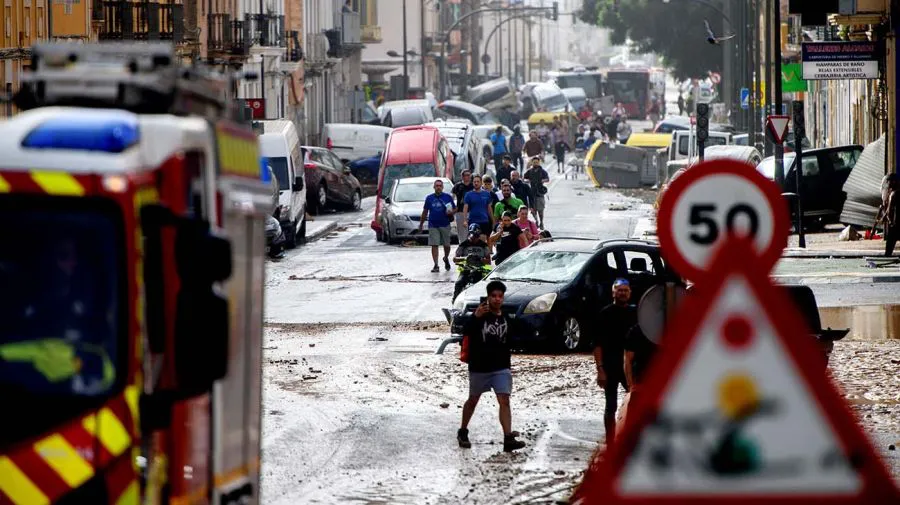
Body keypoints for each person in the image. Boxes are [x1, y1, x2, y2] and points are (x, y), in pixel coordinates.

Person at [458, 280, 526, 452]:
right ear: (488, 297)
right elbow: (464, 331)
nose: (497, 299)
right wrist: (475, 317)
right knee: (473, 399)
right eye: (493, 296)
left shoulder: (506, 317)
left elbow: (513, 338)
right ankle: (463, 430)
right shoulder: (479, 315)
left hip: (501, 366)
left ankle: (508, 437)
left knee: (504, 399)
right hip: (479, 366)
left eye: (500, 296)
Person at [591, 279, 637, 447]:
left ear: (630, 292)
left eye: (625, 290)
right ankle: (611, 442)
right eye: (619, 290)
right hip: (610, 366)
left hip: (630, 367)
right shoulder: (605, 314)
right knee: (610, 405)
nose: (622, 293)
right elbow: (597, 344)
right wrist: (600, 369)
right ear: (613, 293)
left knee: (634, 403)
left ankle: (630, 439)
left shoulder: (637, 313)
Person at [418, 179, 456, 272]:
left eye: (440, 186)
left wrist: (451, 212)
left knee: (446, 245)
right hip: (433, 224)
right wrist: (421, 224)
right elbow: (425, 211)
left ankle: (446, 258)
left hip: (445, 224)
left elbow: (455, 208)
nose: (438, 187)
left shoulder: (447, 197)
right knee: (434, 244)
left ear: (442, 187)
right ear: (434, 187)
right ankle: (436, 265)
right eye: (437, 186)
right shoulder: (429, 198)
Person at [463, 174, 494, 241]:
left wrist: (493, 220)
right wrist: (465, 220)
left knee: (484, 239)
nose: (476, 183)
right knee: (474, 240)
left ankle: (485, 251)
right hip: (473, 221)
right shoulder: (468, 194)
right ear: (472, 183)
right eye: (474, 182)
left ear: (481, 183)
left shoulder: (487, 194)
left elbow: (489, 208)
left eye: (478, 181)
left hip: (484, 221)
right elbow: (465, 208)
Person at [524, 157, 550, 229]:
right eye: (534, 162)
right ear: (532, 163)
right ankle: (536, 221)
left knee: (540, 210)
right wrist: (527, 181)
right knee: (532, 209)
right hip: (532, 193)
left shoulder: (542, 171)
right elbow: (524, 178)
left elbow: (547, 179)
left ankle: (541, 222)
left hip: (540, 193)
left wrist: (542, 180)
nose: (535, 163)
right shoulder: (529, 171)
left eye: (537, 162)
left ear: (539, 162)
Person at [452, 170, 474, 240]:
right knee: (462, 233)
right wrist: (453, 208)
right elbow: (452, 198)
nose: (467, 177)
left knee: (472, 232)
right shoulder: (457, 186)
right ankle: (463, 246)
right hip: (460, 212)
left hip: (472, 211)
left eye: (469, 175)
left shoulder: (473, 185)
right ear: (462, 176)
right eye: (466, 175)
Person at [885, 174, 900, 256]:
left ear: (893, 182)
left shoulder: (893, 194)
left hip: (895, 223)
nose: (887, 183)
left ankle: (887, 256)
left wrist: (890, 221)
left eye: (888, 181)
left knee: (890, 243)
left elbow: (889, 211)